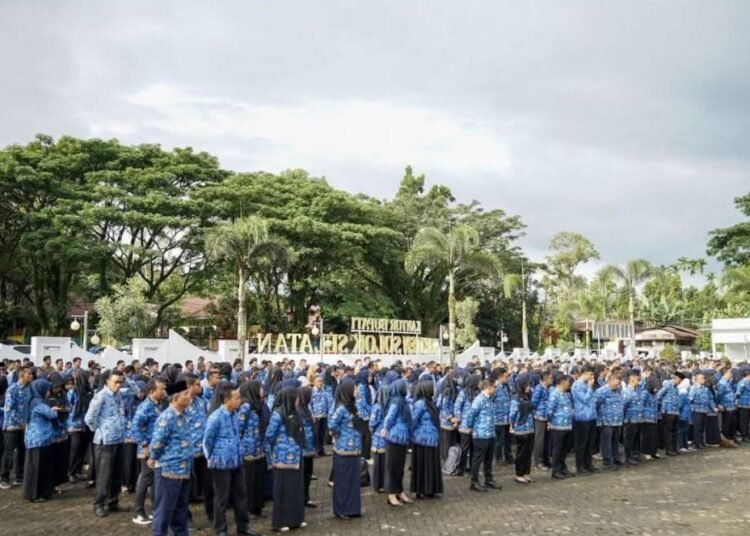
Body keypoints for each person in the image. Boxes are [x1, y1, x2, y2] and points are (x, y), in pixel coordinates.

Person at [203, 382, 255, 536]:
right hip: (221, 464)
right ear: (226, 400)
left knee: (241, 495)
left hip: (237, 461)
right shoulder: (216, 417)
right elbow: (207, 441)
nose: (240, 401)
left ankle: (243, 527)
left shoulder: (235, 415)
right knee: (221, 499)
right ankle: (221, 529)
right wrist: (210, 458)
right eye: (237, 398)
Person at [149, 380, 194, 536]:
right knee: (163, 512)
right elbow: (157, 443)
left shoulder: (184, 415)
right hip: (169, 471)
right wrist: (153, 458)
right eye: (186, 394)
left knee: (180, 512)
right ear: (175, 398)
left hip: (184, 470)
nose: (190, 397)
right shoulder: (167, 417)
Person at [85, 369, 126, 517]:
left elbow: (137, 391)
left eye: (121, 382)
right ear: (107, 381)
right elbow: (89, 418)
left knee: (116, 473)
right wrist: (101, 429)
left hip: (119, 439)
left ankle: (113, 501)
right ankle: (99, 503)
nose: (119, 385)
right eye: (116, 382)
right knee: (104, 475)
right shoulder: (101, 396)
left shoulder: (119, 395)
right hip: (105, 442)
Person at [264, 386, 307, 531]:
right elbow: (269, 435)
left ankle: (296, 519)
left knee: (296, 489)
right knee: (283, 490)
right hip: (282, 458)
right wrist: (281, 445)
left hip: (296, 456)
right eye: (296, 397)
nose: (298, 400)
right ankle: (281, 522)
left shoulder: (296, 413)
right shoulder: (278, 414)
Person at [131, 379, 166, 525]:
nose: (164, 392)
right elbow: (135, 427)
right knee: (145, 479)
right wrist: (144, 445)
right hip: (147, 449)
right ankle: (138, 512)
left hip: (157, 449)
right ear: (152, 391)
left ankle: (155, 510)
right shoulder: (145, 407)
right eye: (161, 389)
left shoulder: (159, 405)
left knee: (154, 481)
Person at [23, 379, 63, 502]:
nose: (48, 392)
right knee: (39, 468)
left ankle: (35, 492)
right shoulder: (38, 403)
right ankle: (37, 494)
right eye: (47, 390)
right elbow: (52, 415)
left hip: (33, 439)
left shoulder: (31, 401)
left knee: (34, 467)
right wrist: (55, 410)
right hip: (41, 439)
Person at [328, 380, 363, 519]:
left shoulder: (353, 406)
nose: (357, 391)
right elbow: (332, 425)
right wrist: (338, 435)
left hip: (355, 448)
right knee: (343, 480)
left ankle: (353, 509)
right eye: (354, 389)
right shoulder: (341, 408)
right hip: (343, 449)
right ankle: (341, 509)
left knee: (354, 480)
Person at [238, 380, 269, 518]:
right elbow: (239, 427)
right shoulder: (245, 406)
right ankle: (249, 509)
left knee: (259, 480)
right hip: (248, 450)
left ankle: (258, 507)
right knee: (248, 482)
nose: (262, 390)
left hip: (260, 449)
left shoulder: (260, 405)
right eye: (259, 388)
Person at [410, 380, 443, 498]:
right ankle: (427, 489)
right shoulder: (423, 404)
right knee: (427, 464)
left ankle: (426, 489)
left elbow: (413, 421)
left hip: (425, 438)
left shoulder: (428, 402)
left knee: (425, 464)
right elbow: (414, 420)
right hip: (425, 439)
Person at [463, 379, 498, 492]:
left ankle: (489, 479)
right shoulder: (479, 400)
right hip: (481, 434)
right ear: (488, 387)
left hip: (490, 433)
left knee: (489, 458)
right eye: (493, 387)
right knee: (477, 459)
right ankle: (474, 482)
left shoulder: (490, 399)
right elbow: (471, 414)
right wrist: (469, 426)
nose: (495, 390)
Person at [1, 365, 32, 489]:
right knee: (8, 453)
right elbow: (9, 409)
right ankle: (4, 477)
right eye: (28, 374)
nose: (30, 376)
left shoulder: (28, 389)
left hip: (24, 427)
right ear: (21, 375)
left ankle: (20, 476)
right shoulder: (12, 389)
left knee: (22, 452)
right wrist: (19, 422)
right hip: (12, 426)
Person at [382, 378, 412, 507]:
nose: (408, 388)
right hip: (395, 437)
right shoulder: (396, 401)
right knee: (392, 467)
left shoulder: (403, 400)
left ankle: (400, 491)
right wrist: (386, 428)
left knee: (400, 467)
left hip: (403, 438)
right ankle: (391, 494)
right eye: (405, 386)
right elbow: (390, 416)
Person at [571, 365, 598, 475]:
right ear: (585, 373)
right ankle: (580, 466)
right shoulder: (577, 385)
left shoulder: (587, 384)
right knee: (581, 443)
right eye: (591, 374)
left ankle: (588, 464)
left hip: (591, 416)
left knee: (590, 443)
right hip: (582, 417)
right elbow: (585, 399)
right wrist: (590, 387)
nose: (592, 377)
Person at [67, 369, 93, 483]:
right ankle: (70, 472)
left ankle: (77, 471)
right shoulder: (73, 393)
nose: (91, 379)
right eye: (89, 377)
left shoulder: (89, 392)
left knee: (82, 450)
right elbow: (68, 407)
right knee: (75, 450)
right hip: (74, 425)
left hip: (85, 425)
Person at [547, 374, 574, 479]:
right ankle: (556, 470)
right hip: (558, 426)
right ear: (562, 382)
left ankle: (563, 467)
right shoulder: (555, 394)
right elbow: (549, 410)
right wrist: (550, 422)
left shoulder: (566, 394)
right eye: (568, 381)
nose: (569, 384)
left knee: (564, 449)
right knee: (557, 449)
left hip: (567, 425)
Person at [594, 374, 624, 470]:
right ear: (610, 381)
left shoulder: (619, 390)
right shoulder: (601, 391)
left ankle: (615, 458)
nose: (617, 385)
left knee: (615, 441)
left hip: (617, 420)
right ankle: (607, 461)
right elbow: (596, 404)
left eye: (618, 383)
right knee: (606, 442)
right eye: (615, 383)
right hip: (606, 420)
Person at [509, 375, 535, 484]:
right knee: (521, 452)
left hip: (530, 428)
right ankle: (519, 474)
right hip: (521, 429)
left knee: (528, 452)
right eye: (528, 384)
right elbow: (512, 415)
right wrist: (512, 425)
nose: (529, 387)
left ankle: (526, 473)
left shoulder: (527, 396)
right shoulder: (516, 399)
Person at [297, 386, 317, 507]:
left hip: (309, 447)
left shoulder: (306, 408)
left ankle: (306, 497)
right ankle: (302, 497)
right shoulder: (299, 410)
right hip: (303, 448)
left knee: (308, 473)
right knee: (303, 474)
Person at [455, 374, 480, 476]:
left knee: (474, 448)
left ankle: (472, 469)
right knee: (464, 448)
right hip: (465, 425)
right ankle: (462, 469)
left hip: (476, 425)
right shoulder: (463, 392)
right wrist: (459, 419)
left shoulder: (478, 392)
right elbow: (457, 407)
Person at [657, 371, 683, 455]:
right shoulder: (667, 385)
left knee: (675, 430)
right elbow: (659, 395)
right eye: (679, 380)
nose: (680, 382)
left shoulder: (676, 388)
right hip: (668, 411)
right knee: (668, 431)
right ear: (676, 378)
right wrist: (664, 404)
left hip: (675, 411)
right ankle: (669, 449)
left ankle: (675, 448)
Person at [369, 385, 389, 492]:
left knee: (378, 463)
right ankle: (385, 483)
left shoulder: (377, 407)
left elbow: (372, 423)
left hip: (378, 438)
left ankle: (377, 484)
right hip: (387, 437)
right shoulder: (390, 406)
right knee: (385, 462)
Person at [532, 370, 552, 470]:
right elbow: (534, 403)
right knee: (539, 440)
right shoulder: (538, 388)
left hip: (546, 416)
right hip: (540, 417)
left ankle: (545, 459)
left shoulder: (547, 389)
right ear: (546, 379)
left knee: (546, 440)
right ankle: (538, 461)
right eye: (550, 378)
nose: (551, 380)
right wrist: (540, 411)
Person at [436, 371, 459, 461]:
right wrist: (451, 418)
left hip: (451, 420)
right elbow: (444, 406)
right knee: (446, 443)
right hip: (447, 421)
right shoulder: (447, 390)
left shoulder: (454, 389)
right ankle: (446, 460)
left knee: (450, 442)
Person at [689, 372, 716, 449]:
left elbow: (710, 399)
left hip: (704, 410)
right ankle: (697, 443)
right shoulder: (693, 388)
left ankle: (701, 442)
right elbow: (690, 399)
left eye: (704, 378)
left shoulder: (705, 389)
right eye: (702, 378)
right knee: (697, 428)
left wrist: (713, 407)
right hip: (697, 410)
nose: (704, 380)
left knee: (702, 427)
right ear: (697, 379)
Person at [492, 367, 513, 464]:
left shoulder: (507, 387)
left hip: (507, 418)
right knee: (499, 440)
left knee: (508, 440)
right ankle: (499, 458)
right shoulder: (494, 388)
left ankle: (508, 456)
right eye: (506, 376)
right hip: (498, 418)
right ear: (500, 377)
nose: (507, 378)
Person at [622, 370, 643, 466]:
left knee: (635, 439)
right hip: (629, 419)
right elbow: (624, 404)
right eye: (636, 378)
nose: (638, 380)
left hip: (637, 418)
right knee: (629, 439)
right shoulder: (627, 391)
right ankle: (627, 458)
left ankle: (634, 455)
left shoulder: (637, 390)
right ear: (631, 380)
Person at [310, 375, 332, 456]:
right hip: (315, 416)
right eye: (318, 381)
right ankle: (315, 451)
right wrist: (311, 414)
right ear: (314, 382)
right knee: (315, 434)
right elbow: (309, 405)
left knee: (322, 434)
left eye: (321, 381)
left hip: (324, 416)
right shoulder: (311, 392)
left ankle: (321, 450)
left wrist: (329, 414)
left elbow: (329, 403)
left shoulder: (325, 392)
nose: (320, 383)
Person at [718, 368, 737, 443]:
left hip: (732, 405)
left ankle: (732, 437)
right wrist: (719, 404)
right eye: (729, 373)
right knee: (727, 423)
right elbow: (719, 395)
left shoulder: (728, 382)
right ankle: (726, 438)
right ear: (725, 373)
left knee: (733, 422)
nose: (731, 374)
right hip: (726, 405)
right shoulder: (721, 383)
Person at [735, 369, 750, 442]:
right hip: (743, 404)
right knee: (744, 421)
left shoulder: (747, 382)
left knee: (746, 421)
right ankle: (744, 435)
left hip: (747, 404)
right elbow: (738, 393)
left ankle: (746, 434)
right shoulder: (742, 383)